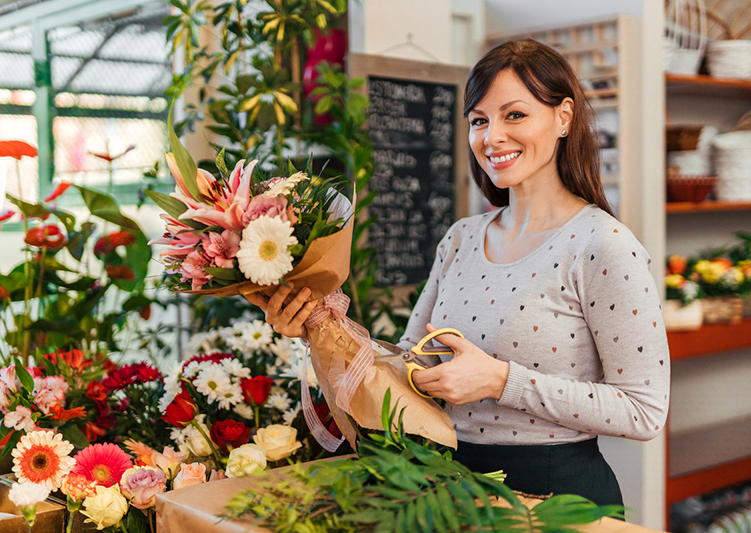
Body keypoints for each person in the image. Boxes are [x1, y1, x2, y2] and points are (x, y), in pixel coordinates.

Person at [247, 38, 670, 507]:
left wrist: (501, 381)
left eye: (515, 115)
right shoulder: (461, 238)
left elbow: (644, 411)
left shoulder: (601, 245)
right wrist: (318, 325)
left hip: (559, 495)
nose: (493, 137)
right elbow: (413, 365)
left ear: (564, 117)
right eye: (479, 121)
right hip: (448, 483)